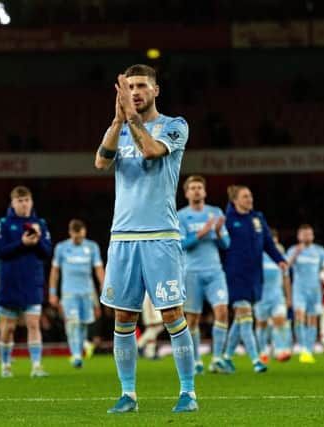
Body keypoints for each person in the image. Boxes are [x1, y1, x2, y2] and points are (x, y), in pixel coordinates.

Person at [95, 64, 197, 413]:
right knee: (123, 318)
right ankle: (128, 395)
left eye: (141, 86)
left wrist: (132, 120)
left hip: (161, 235)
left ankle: (188, 392)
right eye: (129, 87)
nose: (135, 92)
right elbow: (100, 161)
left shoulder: (175, 126)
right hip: (122, 236)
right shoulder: (121, 128)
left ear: (156, 90)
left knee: (171, 314)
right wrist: (116, 121)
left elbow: (152, 151)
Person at [222, 185, 287, 373]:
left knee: (240, 318)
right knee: (246, 317)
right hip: (235, 275)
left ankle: (226, 357)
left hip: (254, 276)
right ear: (235, 200)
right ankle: (256, 360)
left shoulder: (257, 218)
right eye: (245, 196)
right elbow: (221, 247)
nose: (249, 199)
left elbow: (268, 242)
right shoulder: (228, 221)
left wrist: (280, 260)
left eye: (250, 195)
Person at [0, 185, 52, 378]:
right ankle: (5, 365)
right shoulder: (4, 223)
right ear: (13, 203)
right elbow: (0, 251)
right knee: (8, 327)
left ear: (32, 201)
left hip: (32, 282)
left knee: (33, 324)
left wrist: (38, 241)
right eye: (20, 201)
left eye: (27, 200)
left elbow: (47, 252)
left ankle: (36, 366)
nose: (24, 204)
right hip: (10, 282)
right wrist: (22, 243)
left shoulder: (39, 224)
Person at [177, 175, 230, 374]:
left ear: (205, 192)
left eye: (200, 187)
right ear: (187, 193)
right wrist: (202, 232)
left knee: (223, 311)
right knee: (192, 319)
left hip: (215, 271)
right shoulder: (181, 216)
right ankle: (197, 361)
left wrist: (217, 232)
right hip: (191, 272)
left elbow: (227, 244)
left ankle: (216, 359)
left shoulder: (215, 213)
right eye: (193, 188)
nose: (197, 190)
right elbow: (181, 245)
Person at [49, 219, 104, 368]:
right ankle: (76, 355)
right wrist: (52, 292)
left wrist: (103, 286)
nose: (78, 239)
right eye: (76, 237)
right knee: (73, 323)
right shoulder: (62, 248)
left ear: (84, 232)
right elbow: (55, 271)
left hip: (87, 292)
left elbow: (98, 268)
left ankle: (79, 351)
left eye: (80, 236)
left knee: (83, 324)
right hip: (69, 293)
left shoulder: (92, 247)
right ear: (70, 233)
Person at [287, 224, 324, 364]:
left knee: (312, 319)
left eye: (309, 234)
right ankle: (303, 347)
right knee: (299, 316)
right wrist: (295, 254)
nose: (307, 237)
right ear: (299, 236)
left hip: (315, 290)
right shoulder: (293, 250)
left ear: (313, 236)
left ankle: (309, 350)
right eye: (304, 234)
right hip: (299, 289)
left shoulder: (320, 251)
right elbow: (286, 266)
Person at [255, 229, 292, 362]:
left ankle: (280, 350)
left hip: (277, 295)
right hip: (260, 296)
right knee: (261, 324)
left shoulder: (281, 256)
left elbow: (286, 278)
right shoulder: (257, 254)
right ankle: (263, 351)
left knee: (280, 320)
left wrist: (288, 297)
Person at [136, 293, 164, 360]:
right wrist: (151, 317)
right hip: (152, 315)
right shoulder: (147, 293)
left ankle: (150, 353)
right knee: (157, 328)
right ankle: (138, 345)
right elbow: (148, 304)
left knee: (152, 333)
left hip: (153, 314)